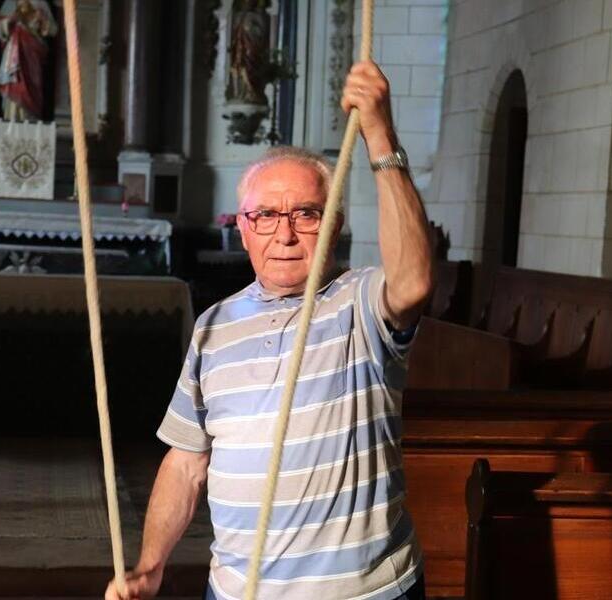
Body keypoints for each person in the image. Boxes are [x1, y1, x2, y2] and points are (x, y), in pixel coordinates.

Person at [106, 61, 433, 600]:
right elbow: (187, 462)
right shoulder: (213, 327)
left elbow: (415, 280)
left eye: (306, 213)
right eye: (265, 216)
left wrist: (378, 130)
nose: (284, 233)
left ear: (334, 223)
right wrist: (151, 564)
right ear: (242, 228)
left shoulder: (361, 303)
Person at [0, 0, 58, 121]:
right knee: (14, 80)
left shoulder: (41, 4)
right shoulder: (10, 3)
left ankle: (31, 117)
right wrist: (10, 20)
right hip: (14, 51)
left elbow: (53, 30)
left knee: (33, 83)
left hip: (33, 52)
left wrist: (43, 20)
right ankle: (11, 117)